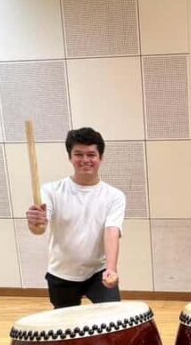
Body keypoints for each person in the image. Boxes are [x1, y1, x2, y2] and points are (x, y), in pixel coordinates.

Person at [26, 127, 125, 309]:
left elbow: (111, 231)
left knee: (113, 319)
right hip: (62, 273)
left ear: (100, 158)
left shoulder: (114, 195)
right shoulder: (51, 191)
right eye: (78, 154)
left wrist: (111, 268)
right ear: (70, 157)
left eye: (91, 154)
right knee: (67, 329)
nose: (85, 160)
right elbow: (40, 228)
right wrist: (35, 222)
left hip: (99, 271)